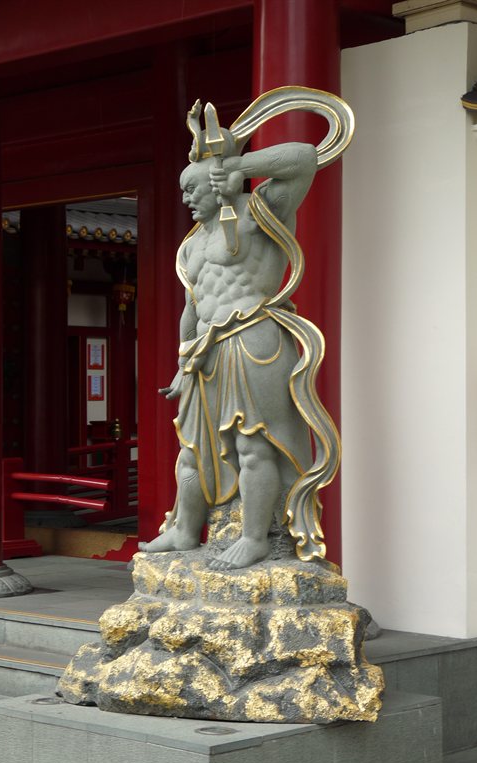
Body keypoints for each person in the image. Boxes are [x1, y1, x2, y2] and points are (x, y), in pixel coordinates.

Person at [140, 95, 345, 569]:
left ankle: (255, 537)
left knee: (254, 442)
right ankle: (186, 529)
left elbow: (303, 157)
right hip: (206, 351)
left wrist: (238, 164)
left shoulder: (261, 212)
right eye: (183, 191)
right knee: (192, 448)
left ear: (218, 185)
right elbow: (192, 307)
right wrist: (182, 361)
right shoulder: (192, 246)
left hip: (253, 338)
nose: (187, 198)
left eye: (193, 188)